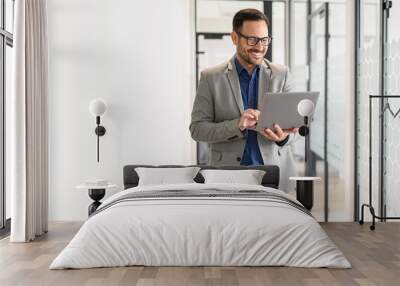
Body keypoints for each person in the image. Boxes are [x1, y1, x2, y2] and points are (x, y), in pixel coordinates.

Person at [190, 8, 298, 190]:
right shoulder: (211, 77)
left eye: (264, 40)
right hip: (227, 176)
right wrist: (237, 125)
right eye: (252, 39)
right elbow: (197, 130)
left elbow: (296, 127)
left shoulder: (282, 75)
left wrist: (283, 138)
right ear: (234, 38)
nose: (259, 46)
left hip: (273, 175)